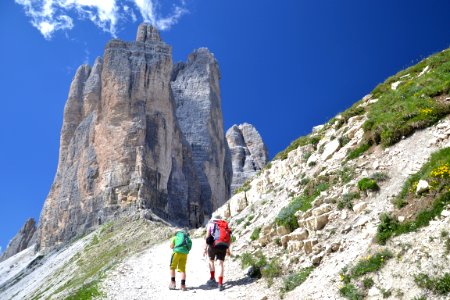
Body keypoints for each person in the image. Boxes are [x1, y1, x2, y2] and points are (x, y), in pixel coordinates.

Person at [203, 215, 232, 291]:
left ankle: (212, 278)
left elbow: (207, 237)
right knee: (221, 264)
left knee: (211, 261)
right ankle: (220, 283)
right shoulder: (225, 225)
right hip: (223, 246)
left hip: (213, 246)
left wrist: (205, 248)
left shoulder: (210, 224)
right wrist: (228, 249)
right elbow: (228, 238)